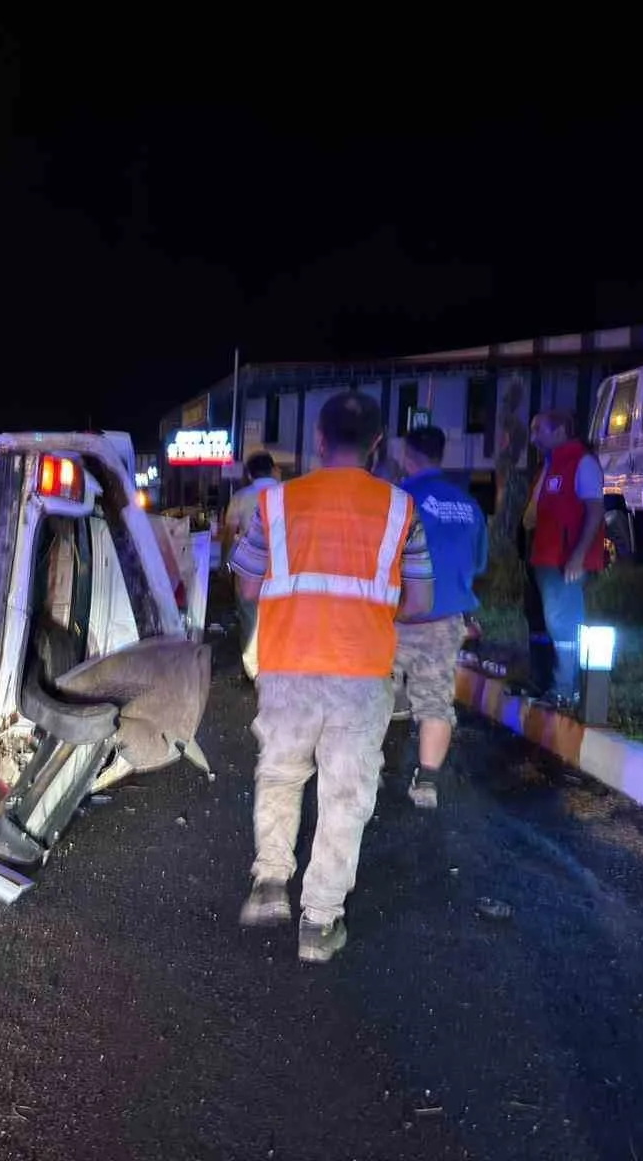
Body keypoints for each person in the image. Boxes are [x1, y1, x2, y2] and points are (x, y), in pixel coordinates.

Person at [230, 391, 434, 963]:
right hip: (362, 672)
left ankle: (270, 883)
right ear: (376, 446)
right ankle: (319, 922)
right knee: (345, 793)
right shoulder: (400, 509)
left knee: (281, 773)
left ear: (318, 441)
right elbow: (419, 599)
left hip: (289, 666)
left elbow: (246, 585)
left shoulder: (277, 504)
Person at [394, 426, 488, 810]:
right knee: (435, 700)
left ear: (407, 455)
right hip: (446, 618)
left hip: (396, 617)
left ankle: (365, 765)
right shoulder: (468, 504)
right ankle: (427, 782)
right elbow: (479, 562)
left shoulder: (400, 499)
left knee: (371, 693)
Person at [523, 410, 605, 704]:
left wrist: (578, 556)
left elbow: (595, 512)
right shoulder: (552, 464)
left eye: (538, 430)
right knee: (547, 622)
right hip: (545, 559)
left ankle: (565, 690)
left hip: (564, 560)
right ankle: (548, 683)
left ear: (559, 431)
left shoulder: (581, 462)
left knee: (564, 624)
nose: (532, 438)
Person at [222, 452, 281, 682]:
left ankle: (254, 670)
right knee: (275, 614)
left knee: (249, 615)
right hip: (280, 565)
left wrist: (226, 561)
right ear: (273, 469)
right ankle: (275, 664)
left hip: (248, 565)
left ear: (248, 473)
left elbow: (229, 533)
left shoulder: (241, 497)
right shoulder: (286, 494)